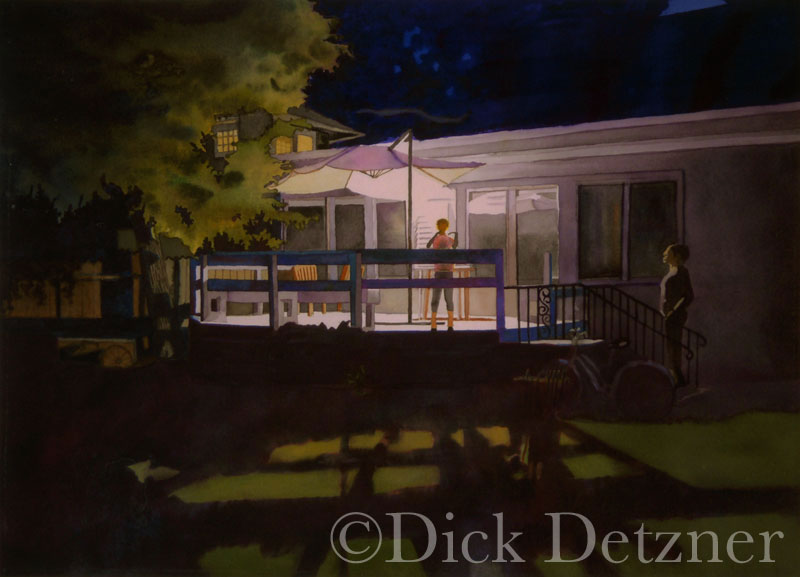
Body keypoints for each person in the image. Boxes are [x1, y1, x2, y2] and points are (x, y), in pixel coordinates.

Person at [660, 244, 694, 386]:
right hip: (669, 315)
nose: (664, 254)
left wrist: (673, 310)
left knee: (674, 345)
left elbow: (688, 295)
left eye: (668, 252)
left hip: (675, 315)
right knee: (671, 345)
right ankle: (675, 377)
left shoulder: (681, 272)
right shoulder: (672, 271)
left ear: (677, 256)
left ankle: (678, 378)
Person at [426, 218, 458, 331]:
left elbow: (428, 245)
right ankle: (450, 325)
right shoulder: (448, 239)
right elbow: (454, 245)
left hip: (439, 272)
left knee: (436, 298)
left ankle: (433, 325)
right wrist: (456, 235)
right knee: (448, 298)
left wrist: (435, 235)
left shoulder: (437, 239)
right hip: (448, 272)